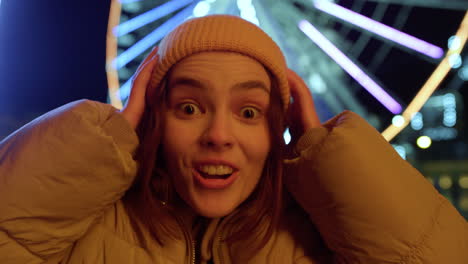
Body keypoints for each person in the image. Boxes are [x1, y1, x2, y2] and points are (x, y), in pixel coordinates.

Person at [0, 15, 466, 264]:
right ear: (153, 119)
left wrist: (333, 159)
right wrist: (105, 138)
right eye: (188, 108)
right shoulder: (79, 237)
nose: (219, 136)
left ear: (278, 126)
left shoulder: (327, 244)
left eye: (249, 112)